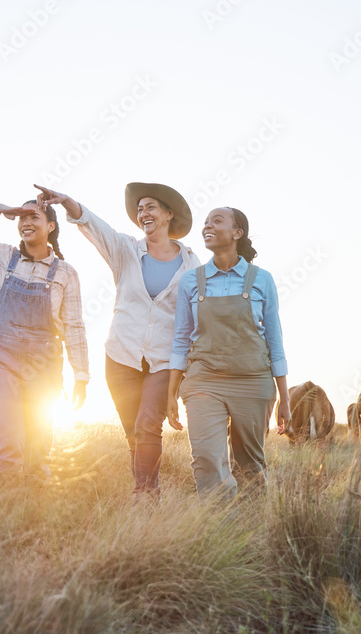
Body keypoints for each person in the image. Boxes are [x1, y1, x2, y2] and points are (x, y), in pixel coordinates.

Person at [33, 182, 201, 501]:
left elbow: (197, 318)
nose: (143, 213)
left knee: (148, 423)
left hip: (165, 360)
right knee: (132, 432)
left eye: (151, 206)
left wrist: (189, 367)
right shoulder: (125, 249)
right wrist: (68, 201)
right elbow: (94, 226)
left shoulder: (193, 266)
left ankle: (145, 493)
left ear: (168, 214)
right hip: (121, 356)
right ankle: (146, 487)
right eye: (140, 209)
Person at [0, 198, 88, 481]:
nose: (26, 222)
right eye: (22, 217)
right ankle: (5, 512)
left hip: (44, 366)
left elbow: (75, 326)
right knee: (8, 439)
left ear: (50, 226)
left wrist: (81, 375)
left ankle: (35, 515)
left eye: (34, 217)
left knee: (38, 450)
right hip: (1, 359)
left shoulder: (66, 272)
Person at [166, 206, 290, 500]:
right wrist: (172, 391)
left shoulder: (262, 279)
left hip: (253, 381)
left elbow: (275, 340)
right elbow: (181, 340)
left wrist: (285, 396)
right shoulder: (190, 281)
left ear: (237, 233)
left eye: (217, 221)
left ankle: (251, 533)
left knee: (250, 465)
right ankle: (219, 532)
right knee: (207, 458)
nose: (207, 225)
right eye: (206, 222)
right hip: (203, 381)